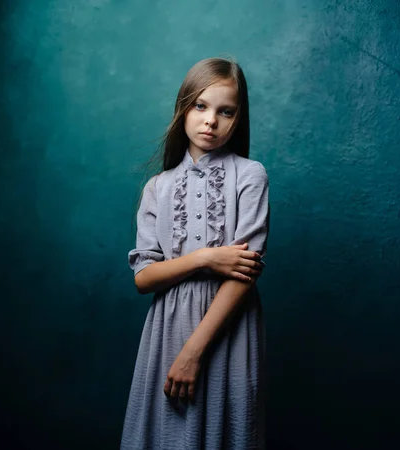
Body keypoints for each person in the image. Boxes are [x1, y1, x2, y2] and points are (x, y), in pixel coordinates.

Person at [121, 56, 270, 450]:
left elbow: (244, 271)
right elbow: (143, 278)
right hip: (167, 327)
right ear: (183, 108)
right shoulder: (158, 186)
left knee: (225, 432)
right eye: (200, 106)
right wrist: (207, 258)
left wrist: (193, 353)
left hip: (227, 327)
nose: (210, 121)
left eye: (226, 111)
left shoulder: (250, 175)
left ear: (238, 118)